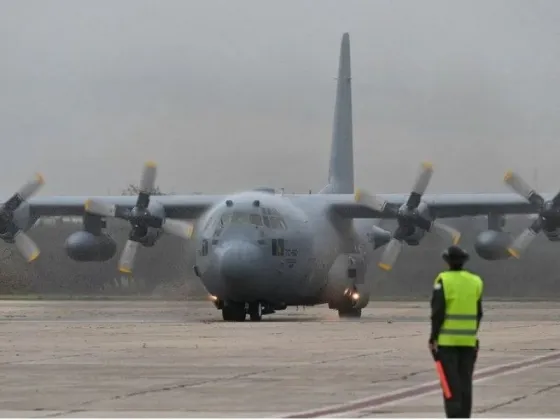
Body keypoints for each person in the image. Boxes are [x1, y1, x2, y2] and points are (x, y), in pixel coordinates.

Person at [428, 245, 484, 418]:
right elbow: (479, 312)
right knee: (465, 382)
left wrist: (433, 337)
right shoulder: (476, 281)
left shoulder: (443, 280)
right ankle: (465, 416)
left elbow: (438, 311)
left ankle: (453, 416)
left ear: (448, 262)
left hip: (447, 343)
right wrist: (471, 333)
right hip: (468, 342)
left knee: (449, 384)